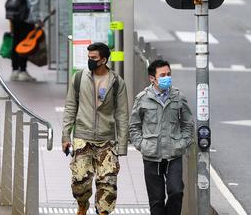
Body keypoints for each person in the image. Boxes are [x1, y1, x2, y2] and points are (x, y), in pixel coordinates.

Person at [61, 42, 129, 215]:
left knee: (108, 184)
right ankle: (82, 204)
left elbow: (122, 114)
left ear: (103, 60)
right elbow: (70, 107)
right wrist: (65, 136)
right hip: (82, 137)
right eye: (88, 57)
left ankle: (103, 212)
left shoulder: (117, 82)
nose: (89, 60)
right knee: (79, 181)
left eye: (94, 58)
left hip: (107, 140)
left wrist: (121, 145)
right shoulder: (78, 78)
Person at [129, 59, 194, 215]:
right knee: (156, 200)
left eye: (169, 74)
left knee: (176, 191)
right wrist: (142, 144)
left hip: (174, 155)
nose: (167, 78)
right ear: (153, 78)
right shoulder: (142, 98)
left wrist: (183, 142)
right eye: (163, 75)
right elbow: (134, 126)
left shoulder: (178, 97)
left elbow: (188, 123)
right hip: (152, 155)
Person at [10, 0, 41, 82]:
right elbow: (33, 3)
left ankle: (14, 71)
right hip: (27, 19)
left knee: (16, 42)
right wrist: (36, 20)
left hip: (15, 17)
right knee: (25, 44)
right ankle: (23, 70)